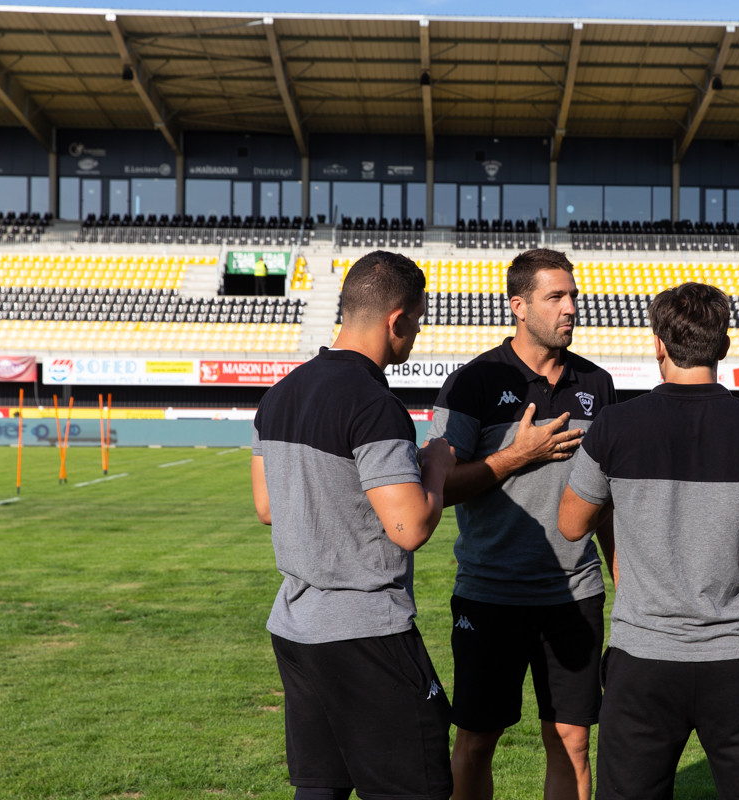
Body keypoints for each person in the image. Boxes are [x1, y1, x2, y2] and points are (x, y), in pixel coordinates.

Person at [559, 282, 739, 800]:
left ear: (658, 344)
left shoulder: (615, 425)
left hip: (643, 656)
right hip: (738, 656)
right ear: (724, 346)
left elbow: (570, 525)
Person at [250, 249, 455, 800]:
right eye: (417, 320)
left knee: (322, 785)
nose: (416, 333)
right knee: (416, 782)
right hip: (364, 629)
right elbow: (409, 527)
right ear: (397, 320)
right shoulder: (373, 403)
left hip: (297, 627)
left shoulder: (280, 393)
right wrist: (435, 468)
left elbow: (266, 507)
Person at [425, 248, 616, 800]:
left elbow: (605, 498)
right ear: (519, 305)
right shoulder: (474, 383)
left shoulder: (596, 384)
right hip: (490, 593)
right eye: (555, 297)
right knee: (477, 740)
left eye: (573, 296)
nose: (571, 308)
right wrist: (515, 457)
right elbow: (438, 487)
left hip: (574, 595)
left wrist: (622, 575)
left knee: (573, 741)